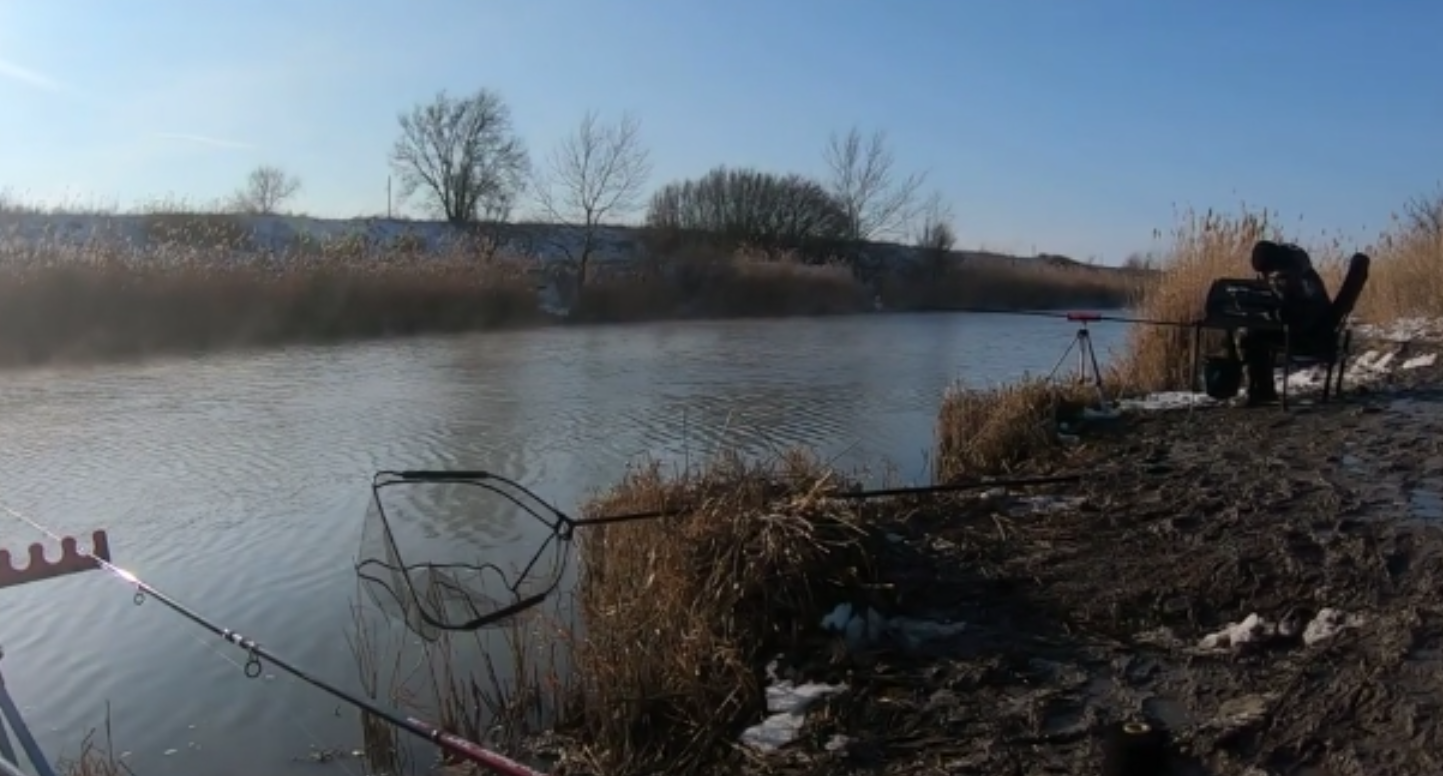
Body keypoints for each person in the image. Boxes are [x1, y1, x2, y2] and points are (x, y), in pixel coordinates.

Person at [1236, 240, 1332, 405]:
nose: (1264, 276)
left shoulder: (1287, 277)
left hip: (1306, 336)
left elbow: (1288, 314)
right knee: (1255, 334)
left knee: (1248, 336)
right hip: (1319, 330)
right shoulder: (1301, 269)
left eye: (1265, 272)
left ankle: (1259, 392)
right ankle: (1262, 391)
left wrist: (1265, 312)